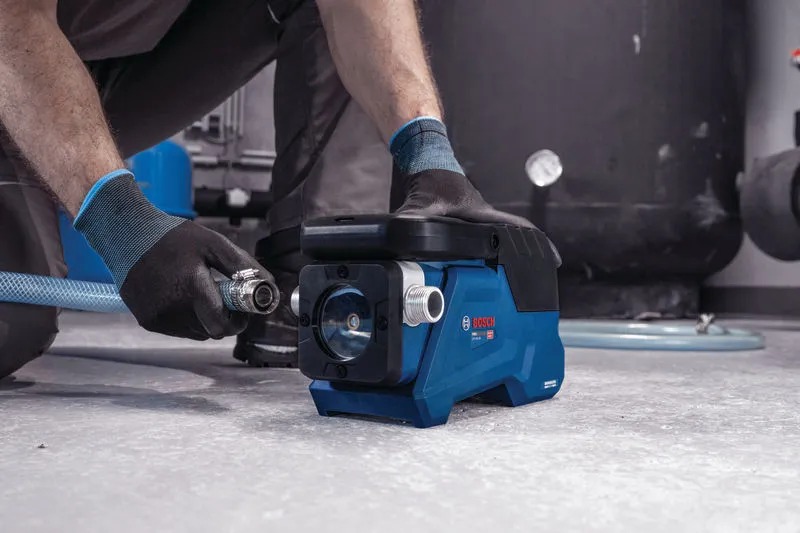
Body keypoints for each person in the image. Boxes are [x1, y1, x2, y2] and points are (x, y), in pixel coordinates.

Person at [0, 0, 533, 378]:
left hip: (115, 75)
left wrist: (429, 153)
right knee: (12, 329)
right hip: (14, 66)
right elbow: (12, 19)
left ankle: (308, 291)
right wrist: (124, 224)